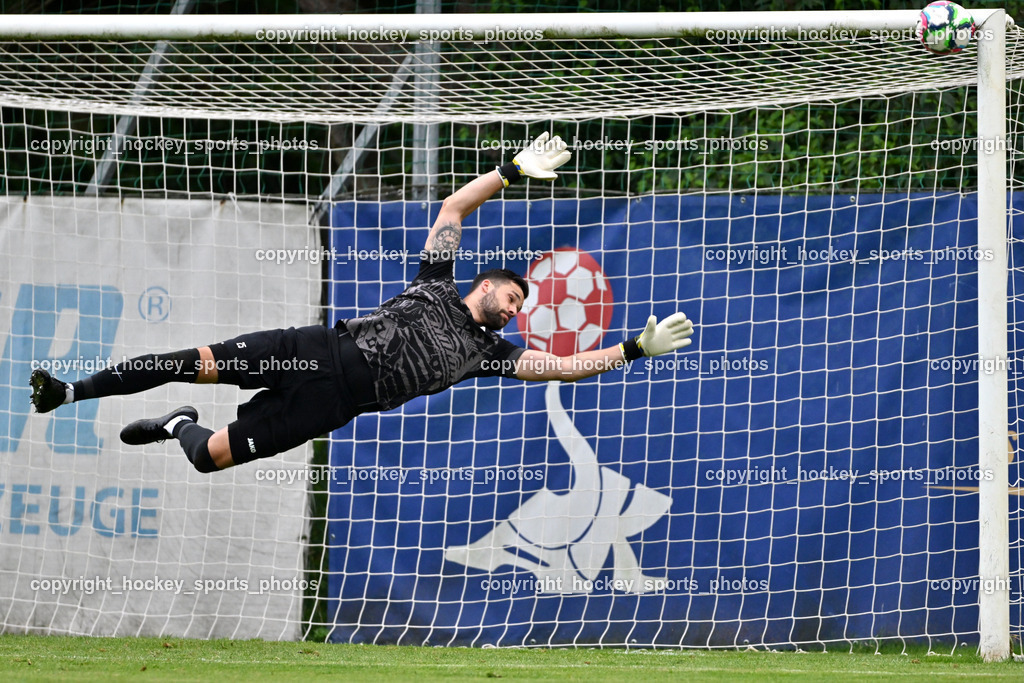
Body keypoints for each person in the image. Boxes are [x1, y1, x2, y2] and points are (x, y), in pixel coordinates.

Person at [29, 133, 694, 473]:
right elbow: (455, 205)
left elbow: (561, 366)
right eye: (512, 296)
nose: (514, 310)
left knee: (208, 458)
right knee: (185, 360)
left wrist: (633, 348)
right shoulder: (436, 279)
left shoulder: (486, 355)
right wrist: (512, 172)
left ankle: (177, 426)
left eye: (519, 308)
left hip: (331, 404)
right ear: (484, 283)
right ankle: (70, 390)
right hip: (310, 349)